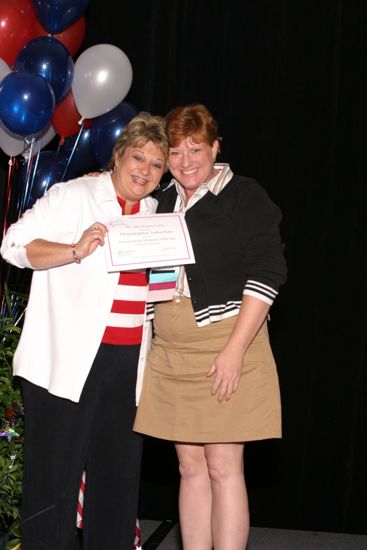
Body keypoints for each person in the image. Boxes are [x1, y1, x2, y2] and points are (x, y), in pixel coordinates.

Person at [0, 112, 169, 550]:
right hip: (66, 363)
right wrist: (75, 249)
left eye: (155, 165)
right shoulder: (72, 196)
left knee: (116, 486)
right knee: (52, 487)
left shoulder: (156, 214)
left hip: (127, 365)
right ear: (118, 156)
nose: (144, 171)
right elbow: (13, 245)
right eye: (138, 158)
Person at [134, 104, 287, 550]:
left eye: (195, 149)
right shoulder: (160, 202)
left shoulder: (243, 195)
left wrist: (234, 352)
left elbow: (268, 272)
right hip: (171, 348)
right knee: (189, 467)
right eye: (176, 152)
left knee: (223, 466)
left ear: (215, 147)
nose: (185, 161)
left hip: (227, 340)